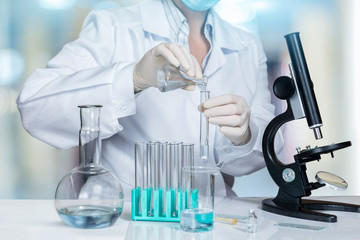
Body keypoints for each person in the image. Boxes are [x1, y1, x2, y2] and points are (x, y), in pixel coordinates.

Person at [17, 0, 283, 199]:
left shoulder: (246, 45)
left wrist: (246, 134)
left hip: (211, 216)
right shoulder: (114, 27)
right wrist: (133, 78)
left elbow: (262, 150)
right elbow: (35, 105)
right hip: (129, 216)